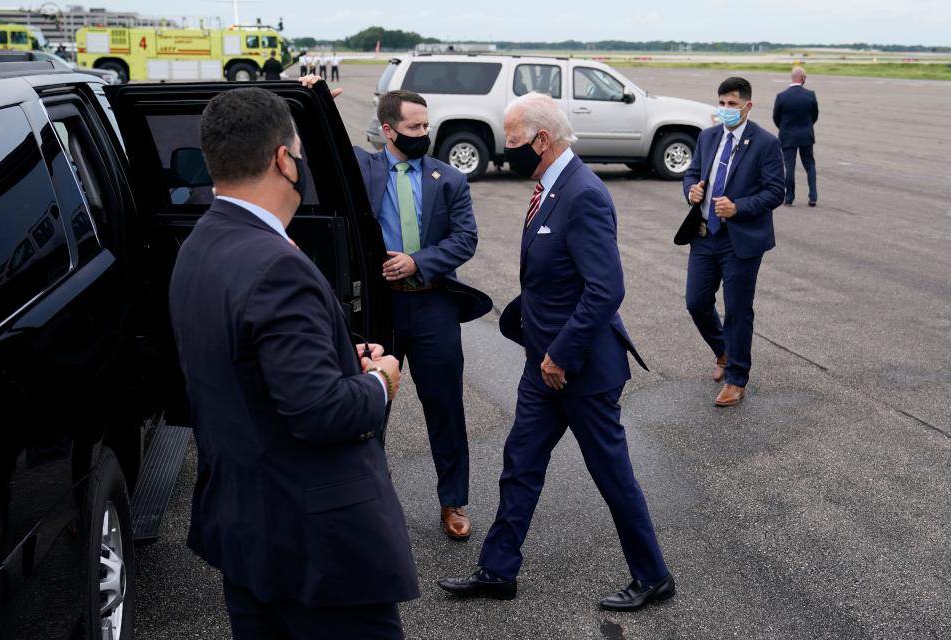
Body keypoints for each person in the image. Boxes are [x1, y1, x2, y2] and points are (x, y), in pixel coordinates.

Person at [168, 87, 419, 639]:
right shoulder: (276, 265)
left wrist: (333, 356)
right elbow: (321, 412)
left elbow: (244, 364)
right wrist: (380, 380)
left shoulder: (199, 246)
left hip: (246, 533)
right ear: (284, 159)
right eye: (300, 151)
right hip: (317, 552)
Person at [437, 92, 674, 612]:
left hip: (581, 369)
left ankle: (653, 576)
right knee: (520, 464)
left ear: (542, 141)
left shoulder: (583, 193)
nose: (507, 150)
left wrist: (561, 354)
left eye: (514, 141)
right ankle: (498, 570)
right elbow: (554, 276)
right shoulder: (549, 187)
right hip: (541, 367)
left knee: (613, 477)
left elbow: (605, 289)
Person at [300, 79, 491, 540]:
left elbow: (465, 239)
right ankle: (367, 502)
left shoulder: (448, 179)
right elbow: (312, 162)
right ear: (388, 130)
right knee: (370, 410)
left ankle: (453, 501)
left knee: (445, 408)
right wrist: (312, 107)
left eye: (426, 124)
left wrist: (418, 262)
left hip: (432, 308)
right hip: (378, 313)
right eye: (414, 125)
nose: (423, 132)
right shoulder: (363, 168)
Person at [675, 77, 785, 407]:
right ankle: (723, 350)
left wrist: (739, 207)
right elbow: (692, 174)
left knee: (737, 310)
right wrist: (691, 190)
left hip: (741, 241)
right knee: (696, 301)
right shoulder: (708, 137)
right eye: (721, 104)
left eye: (732, 105)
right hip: (705, 236)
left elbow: (775, 191)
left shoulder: (765, 143)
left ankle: (737, 378)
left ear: (747, 106)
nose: (726, 110)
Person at [773, 66, 819, 206]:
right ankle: (813, 197)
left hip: (788, 136)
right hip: (806, 135)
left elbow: (776, 117)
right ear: (803, 78)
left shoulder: (782, 96)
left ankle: (789, 197)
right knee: (809, 165)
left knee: (789, 167)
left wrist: (785, 128)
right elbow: (815, 115)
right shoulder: (810, 94)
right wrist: (807, 126)